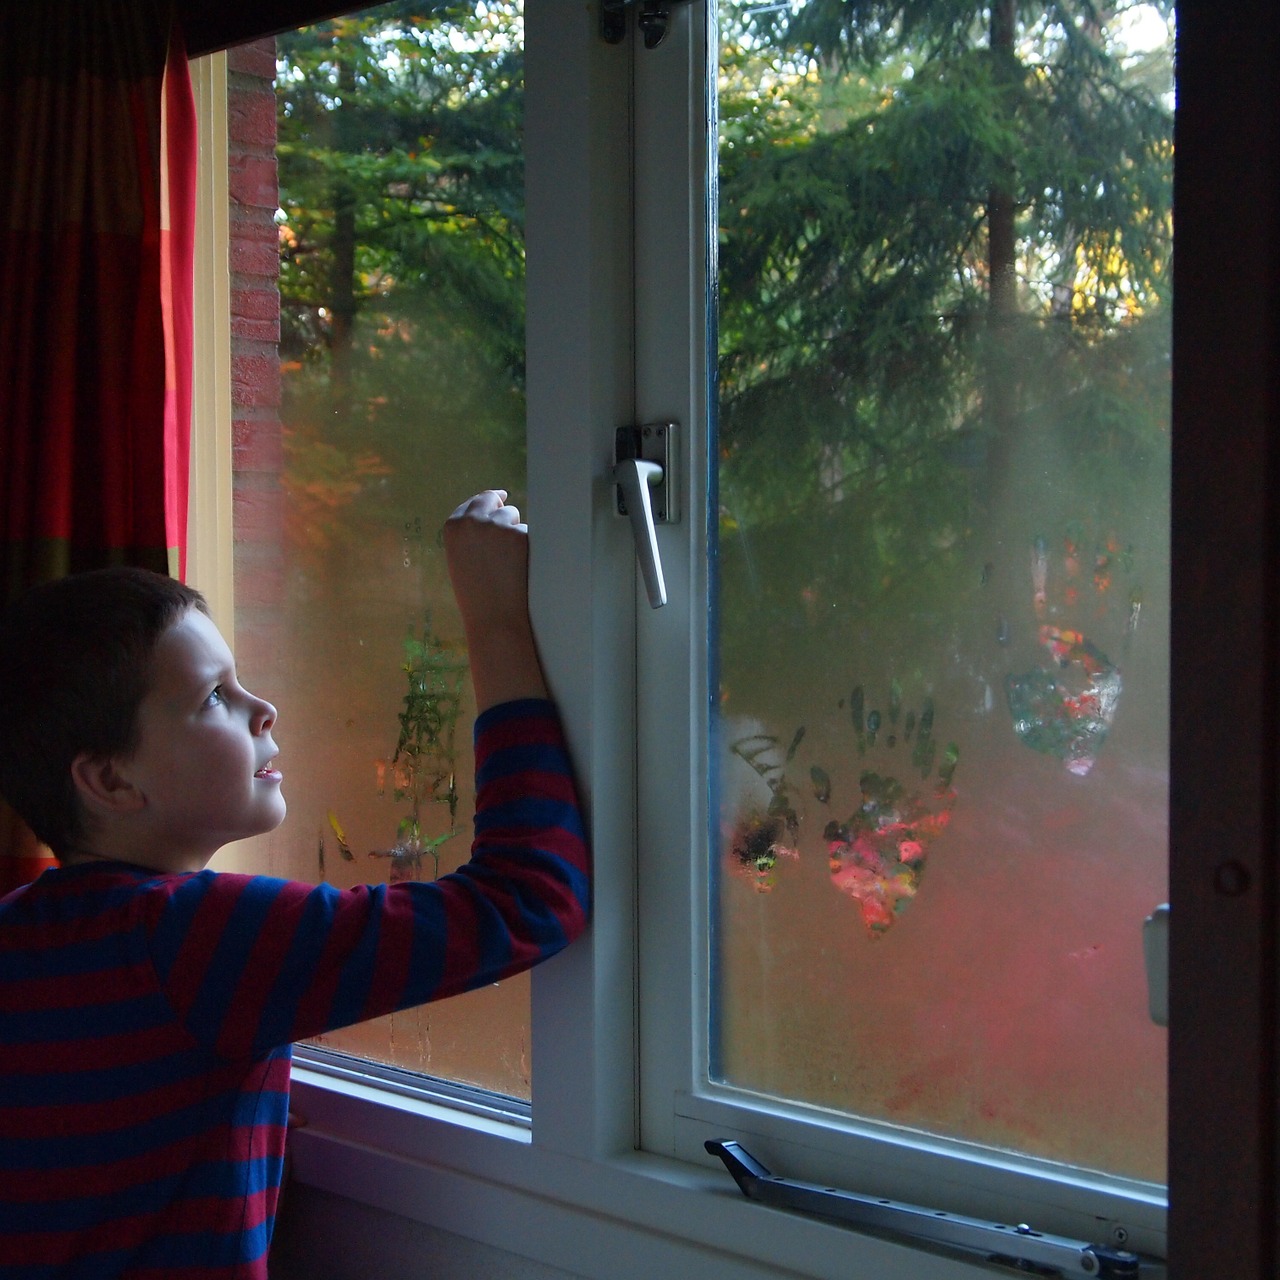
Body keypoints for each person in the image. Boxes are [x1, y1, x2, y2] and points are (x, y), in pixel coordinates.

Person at [0, 490, 590, 1279]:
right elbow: (530, 900)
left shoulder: (27, 930)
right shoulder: (190, 938)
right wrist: (494, 619)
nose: (265, 708)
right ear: (111, 779)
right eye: (215, 696)